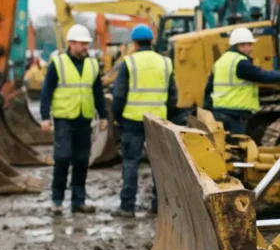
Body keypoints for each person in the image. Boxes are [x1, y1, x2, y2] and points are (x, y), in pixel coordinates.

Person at [110, 24, 177, 218]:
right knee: (159, 165)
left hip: (132, 120)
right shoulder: (165, 62)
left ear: (135, 42)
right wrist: (167, 116)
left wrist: (118, 117)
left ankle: (127, 207)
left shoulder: (129, 63)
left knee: (131, 163)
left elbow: (119, 95)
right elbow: (173, 95)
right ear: (152, 41)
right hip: (158, 121)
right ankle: (158, 207)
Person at [39, 24, 107, 215]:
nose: (85, 47)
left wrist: (103, 115)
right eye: (82, 44)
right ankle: (57, 200)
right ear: (71, 44)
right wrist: (45, 117)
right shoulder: (58, 63)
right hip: (64, 119)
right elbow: (46, 91)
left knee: (81, 160)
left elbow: (98, 93)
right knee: (62, 158)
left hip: (84, 119)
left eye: (87, 44)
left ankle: (78, 201)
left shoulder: (92, 64)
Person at [205, 26, 280, 135]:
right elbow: (262, 75)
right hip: (234, 114)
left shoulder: (221, 61)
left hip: (219, 111)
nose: (252, 48)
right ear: (241, 45)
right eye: (250, 44)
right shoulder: (240, 63)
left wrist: (207, 108)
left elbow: (208, 88)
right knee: (237, 145)